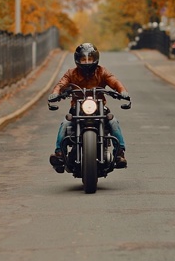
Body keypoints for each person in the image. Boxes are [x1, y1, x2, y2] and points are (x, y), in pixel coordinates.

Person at [48, 43, 129, 173]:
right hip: (77, 108)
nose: (86, 62)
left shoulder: (102, 71)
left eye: (89, 59)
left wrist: (122, 91)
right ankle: (59, 154)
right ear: (77, 60)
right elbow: (61, 84)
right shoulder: (71, 73)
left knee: (113, 121)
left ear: (95, 59)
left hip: (99, 107)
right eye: (83, 59)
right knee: (65, 123)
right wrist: (55, 93)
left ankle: (120, 153)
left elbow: (114, 81)